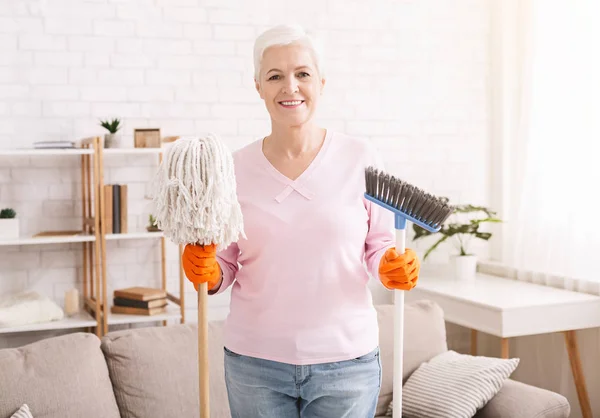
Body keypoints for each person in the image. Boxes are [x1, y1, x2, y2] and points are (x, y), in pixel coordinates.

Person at [182, 24, 421, 418]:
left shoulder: (360, 157)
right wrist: (206, 271)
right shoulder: (234, 169)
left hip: (346, 364)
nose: (289, 87)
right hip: (254, 364)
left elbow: (379, 245)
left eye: (302, 74)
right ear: (258, 86)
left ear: (321, 82)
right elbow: (224, 263)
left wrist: (391, 265)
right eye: (275, 76)